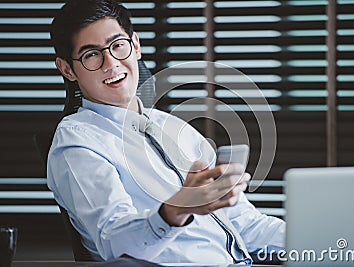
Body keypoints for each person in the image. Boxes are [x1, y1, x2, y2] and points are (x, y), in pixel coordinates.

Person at [47, 0, 285, 264]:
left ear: (135, 46)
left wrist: (323, 238)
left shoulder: (176, 128)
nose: (111, 63)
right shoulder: (76, 142)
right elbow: (115, 242)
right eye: (91, 54)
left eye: (118, 46)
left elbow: (245, 223)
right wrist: (176, 209)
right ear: (67, 69)